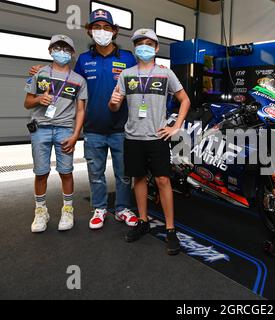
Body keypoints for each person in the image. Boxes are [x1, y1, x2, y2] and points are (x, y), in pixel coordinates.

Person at [29, 9, 138, 230]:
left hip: (121, 128)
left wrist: (159, 67)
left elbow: (142, 78)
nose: (102, 32)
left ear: (114, 31)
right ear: (90, 31)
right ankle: (98, 208)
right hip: (93, 129)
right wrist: (43, 70)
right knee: (95, 174)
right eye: (97, 27)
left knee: (124, 174)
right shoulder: (84, 60)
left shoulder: (127, 58)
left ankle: (123, 208)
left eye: (106, 27)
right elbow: (68, 80)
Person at [109, 29, 191, 255]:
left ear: (155, 49)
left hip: (157, 137)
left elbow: (184, 100)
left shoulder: (166, 74)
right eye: (139, 44)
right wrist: (114, 102)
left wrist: (176, 126)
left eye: (148, 44)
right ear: (135, 48)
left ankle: (171, 229)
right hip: (133, 136)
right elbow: (114, 106)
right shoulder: (126, 74)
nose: (144, 47)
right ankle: (143, 221)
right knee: (139, 178)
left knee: (163, 179)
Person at [25, 35, 87, 233]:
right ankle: (41, 211)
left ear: (72, 53)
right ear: (50, 50)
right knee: (41, 173)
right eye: (58, 48)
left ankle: (68, 210)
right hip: (40, 129)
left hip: (65, 130)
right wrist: (38, 99)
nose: (62, 52)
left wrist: (76, 134)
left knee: (66, 172)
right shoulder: (39, 74)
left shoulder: (79, 80)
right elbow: (27, 102)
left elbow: (80, 110)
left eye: (66, 49)